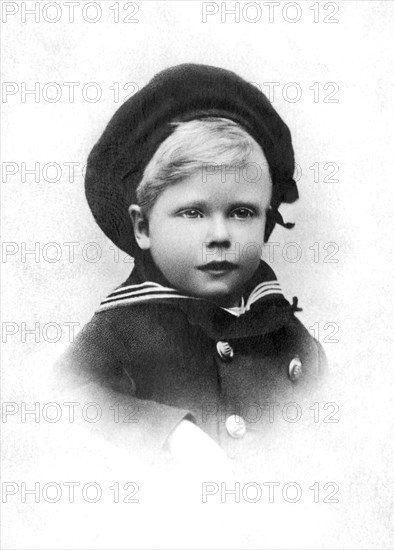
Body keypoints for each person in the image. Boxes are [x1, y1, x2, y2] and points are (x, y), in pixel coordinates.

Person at [55, 63, 327, 467]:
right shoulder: (124, 327)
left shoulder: (280, 326)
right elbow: (63, 397)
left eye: (241, 212)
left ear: (267, 221)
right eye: (193, 213)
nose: (220, 234)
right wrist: (169, 434)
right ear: (143, 226)